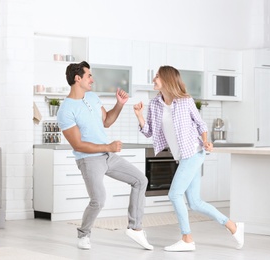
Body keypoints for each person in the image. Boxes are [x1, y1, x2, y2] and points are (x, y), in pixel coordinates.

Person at [133, 65, 244, 252]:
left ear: (167, 79)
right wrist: (139, 116)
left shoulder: (185, 101)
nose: (154, 80)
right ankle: (233, 226)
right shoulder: (154, 104)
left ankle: (187, 238)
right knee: (195, 202)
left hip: (193, 152)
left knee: (174, 194)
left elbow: (201, 124)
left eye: (157, 77)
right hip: (181, 156)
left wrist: (206, 142)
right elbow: (149, 132)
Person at [57, 61, 153, 251]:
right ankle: (84, 234)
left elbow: (107, 121)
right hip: (89, 159)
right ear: (78, 78)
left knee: (140, 180)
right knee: (98, 200)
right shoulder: (66, 110)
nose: (92, 79)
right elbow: (78, 145)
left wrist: (119, 104)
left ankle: (135, 227)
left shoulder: (92, 97)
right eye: (89, 76)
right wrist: (108, 145)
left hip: (108, 155)